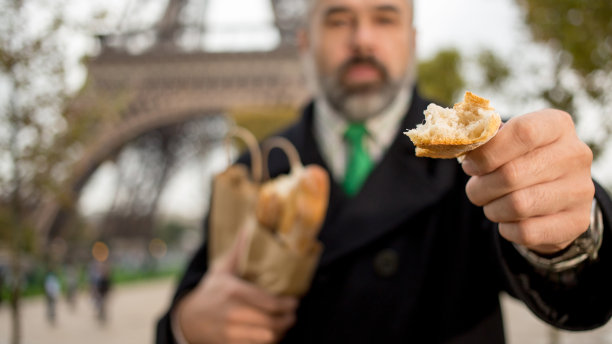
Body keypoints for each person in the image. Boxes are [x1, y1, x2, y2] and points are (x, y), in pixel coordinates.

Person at [157, 0, 612, 343]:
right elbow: (187, 306)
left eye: (385, 17)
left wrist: (573, 228)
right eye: (338, 19)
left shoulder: (487, 157)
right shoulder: (248, 172)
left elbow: (581, 292)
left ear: (412, 40)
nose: (361, 39)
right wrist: (188, 324)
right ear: (303, 41)